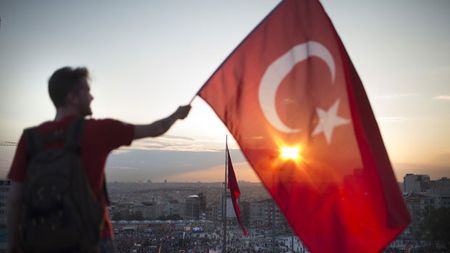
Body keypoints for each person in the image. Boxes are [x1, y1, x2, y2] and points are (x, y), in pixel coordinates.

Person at [6, 66, 191, 253]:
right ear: (72, 97)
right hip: (92, 240)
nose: (92, 97)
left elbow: (15, 199)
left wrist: (13, 245)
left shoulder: (31, 138)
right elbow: (157, 128)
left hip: (42, 242)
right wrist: (177, 114)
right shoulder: (98, 131)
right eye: (87, 91)